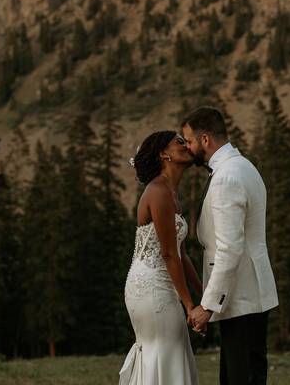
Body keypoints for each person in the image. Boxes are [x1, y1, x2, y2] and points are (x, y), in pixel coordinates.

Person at [182, 107, 278, 385]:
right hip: (250, 295)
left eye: (189, 141)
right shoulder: (244, 166)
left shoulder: (225, 178)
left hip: (241, 296)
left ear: (205, 140)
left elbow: (229, 248)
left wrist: (208, 305)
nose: (187, 148)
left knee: (240, 378)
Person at [119, 131, 203, 385]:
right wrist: (189, 306)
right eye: (179, 141)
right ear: (163, 154)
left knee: (172, 349)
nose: (186, 144)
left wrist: (205, 297)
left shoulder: (171, 192)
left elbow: (181, 253)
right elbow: (168, 253)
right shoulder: (158, 191)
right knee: (165, 351)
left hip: (164, 281)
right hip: (151, 286)